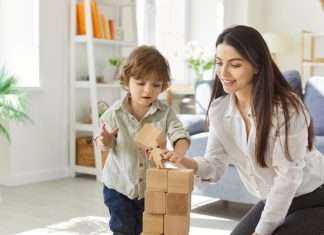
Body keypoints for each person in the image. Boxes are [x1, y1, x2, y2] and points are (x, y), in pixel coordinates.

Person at [162, 25, 324, 235]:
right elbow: (214, 165)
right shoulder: (220, 110)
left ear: (257, 66)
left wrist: (261, 232)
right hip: (273, 198)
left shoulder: (286, 108)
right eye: (219, 63)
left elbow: (288, 178)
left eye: (235, 65)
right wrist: (183, 161)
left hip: (314, 195)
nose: (223, 73)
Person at [95, 45, 190, 235]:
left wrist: (177, 154)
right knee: (124, 230)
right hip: (119, 188)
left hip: (151, 188)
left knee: (150, 229)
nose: (148, 90)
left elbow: (180, 134)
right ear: (126, 82)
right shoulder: (113, 114)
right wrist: (105, 139)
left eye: (156, 85)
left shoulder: (165, 113)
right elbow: (103, 145)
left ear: (163, 86)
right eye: (140, 83)